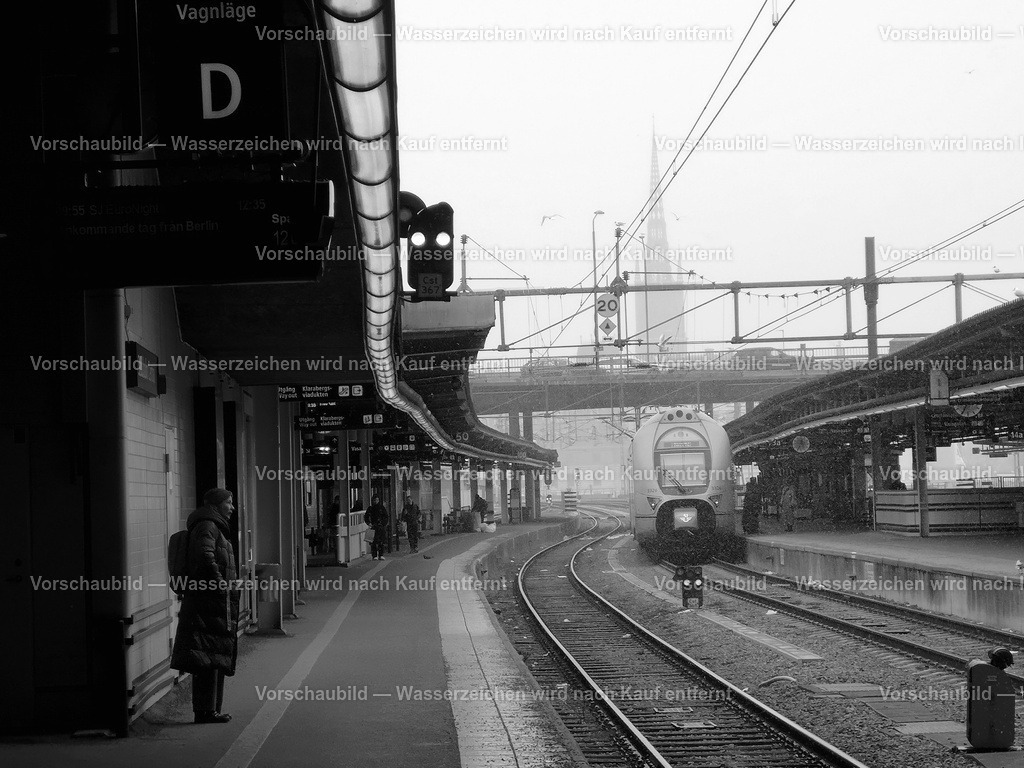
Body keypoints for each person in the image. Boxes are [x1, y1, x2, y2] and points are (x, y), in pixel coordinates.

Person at [170, 488, 240, 724]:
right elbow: (204, 556)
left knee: (211, 654)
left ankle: (210, 710)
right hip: (207, 601)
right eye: (228, 503)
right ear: (215, 505)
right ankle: (205, 711)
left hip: (211, 600)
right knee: (207, 656)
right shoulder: (208, 526)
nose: (232, 507)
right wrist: (220, 584)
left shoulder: (213, 526)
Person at [364, 494, 389, 560]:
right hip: (374, 526)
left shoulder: (381, 508)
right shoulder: (370, 508)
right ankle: (374, 555)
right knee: (373, 542)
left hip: (380, 527)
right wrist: (369, 523)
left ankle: (381, 554)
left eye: (377, 500)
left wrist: (383, 524)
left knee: (381, 541)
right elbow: (366, 517)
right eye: (374, 500)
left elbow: (386, 517)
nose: (375, 501)